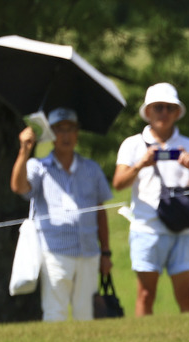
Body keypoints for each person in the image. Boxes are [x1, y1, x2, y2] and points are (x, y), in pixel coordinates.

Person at [114, 83, 189, 315]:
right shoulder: (132, 144)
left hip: (183, 228)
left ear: (177, 112)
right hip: (147, 228)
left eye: (169, 107)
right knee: (145, 295)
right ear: (147, 111)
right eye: (158, 107)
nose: (164, 113)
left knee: (186, 296)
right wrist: (141, 164)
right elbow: (118, 184)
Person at [12, 107, 114, 322]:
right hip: (55, 252)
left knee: (85, 314)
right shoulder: (38, 167)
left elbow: (100, 212)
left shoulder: (91, 169)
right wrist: (24, 151)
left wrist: (106, 252)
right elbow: (19, 187)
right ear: (50, 135)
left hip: (89, 252)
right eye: (59, 130)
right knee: (54, 312)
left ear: (77, 133)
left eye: (70, 129)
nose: (65, 135)